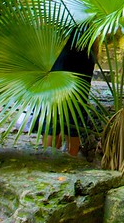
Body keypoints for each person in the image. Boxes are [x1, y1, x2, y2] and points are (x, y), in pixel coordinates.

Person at [43, 28, 97, 157]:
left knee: (54, 116)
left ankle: (49, 159)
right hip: (82, 59)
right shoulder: (90, 25)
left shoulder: (66, 18)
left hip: (67, 58)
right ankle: (70, 159)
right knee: (74, 115)